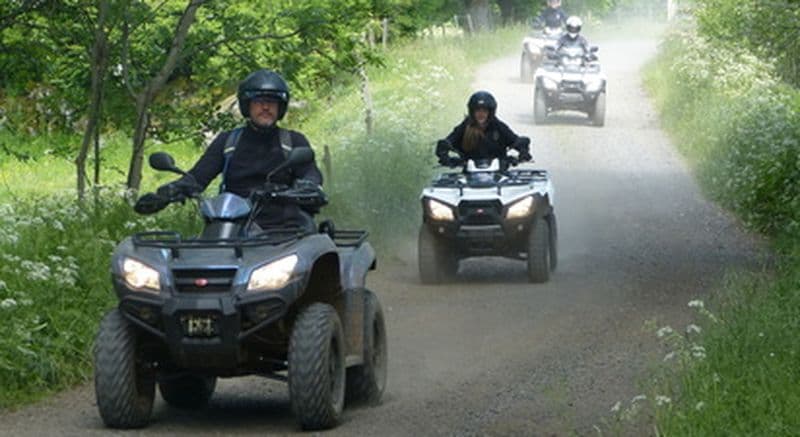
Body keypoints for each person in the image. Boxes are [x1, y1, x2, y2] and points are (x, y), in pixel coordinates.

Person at [156, 68, 323, 229]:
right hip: (231, 228)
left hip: (283, 230)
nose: (266, 107)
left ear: (281, 107)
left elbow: (310, 173)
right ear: (246, 106)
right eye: (259, 101)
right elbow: (197, 178)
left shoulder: (293, 141)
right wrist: (168, 192)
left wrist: (308, 185)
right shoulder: (228, 141)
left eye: (272, 102)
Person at [436, 91, 531, 166]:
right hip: (468, 176)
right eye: (477, 110)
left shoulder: (498, 126)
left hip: (499, 175)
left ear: (490, 112)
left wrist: (523, 151)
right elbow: (448, 142)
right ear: (472, 112)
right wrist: (444, 153)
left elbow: (515, 141)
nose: (481, 114)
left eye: (484, 110)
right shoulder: (465, 127)